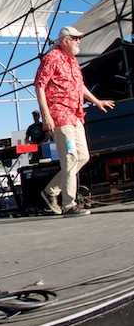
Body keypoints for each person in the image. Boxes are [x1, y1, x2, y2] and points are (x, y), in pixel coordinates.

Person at [34, 26, 114, 216]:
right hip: (60, 115)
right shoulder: (52, 57)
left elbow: (80, 87)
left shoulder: (73, 61)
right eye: (75, 38)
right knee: (70, 157)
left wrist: (97, 101)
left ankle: (50, 191)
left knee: (83, 156)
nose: (79, 41)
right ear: (65, 41)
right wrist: (46, 115)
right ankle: (69, 204)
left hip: (76, 115)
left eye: (79, 38)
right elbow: (39, 85)